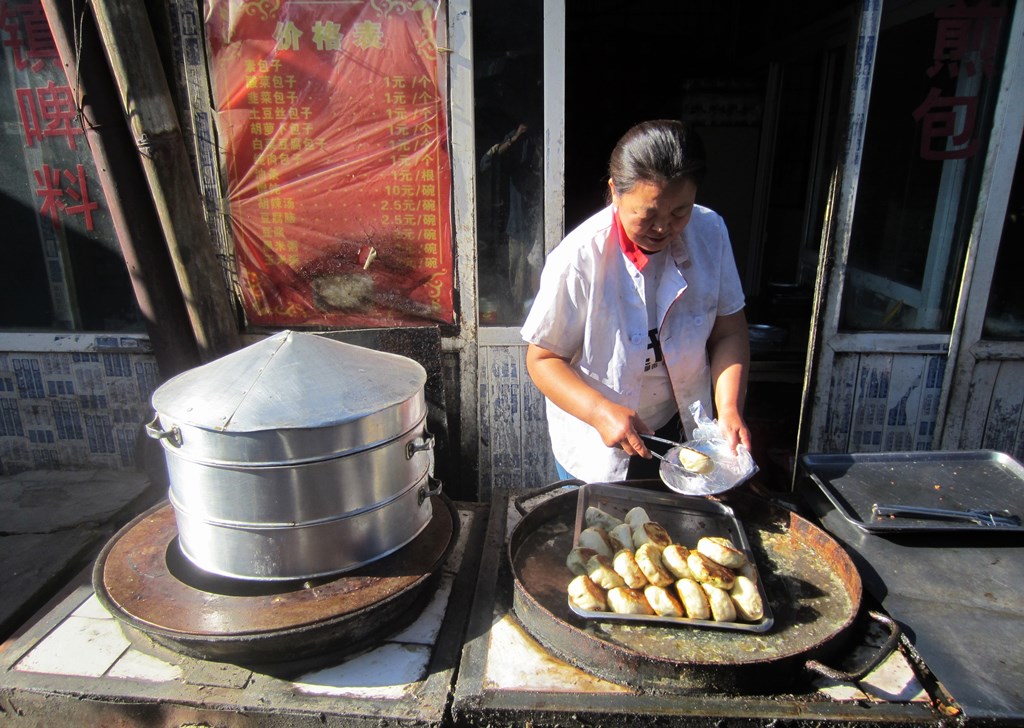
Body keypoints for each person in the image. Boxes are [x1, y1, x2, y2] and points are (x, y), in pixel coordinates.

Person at [520, 119, 751, 483]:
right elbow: (543, 359)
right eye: (647, 214)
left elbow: (729, 333)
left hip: (682, 426)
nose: (663, 228)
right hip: (599, 439)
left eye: (679, 212)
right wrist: (600, 411)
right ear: (615, 192)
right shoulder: (579, 258)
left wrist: (728, 409)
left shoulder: (710, 232)